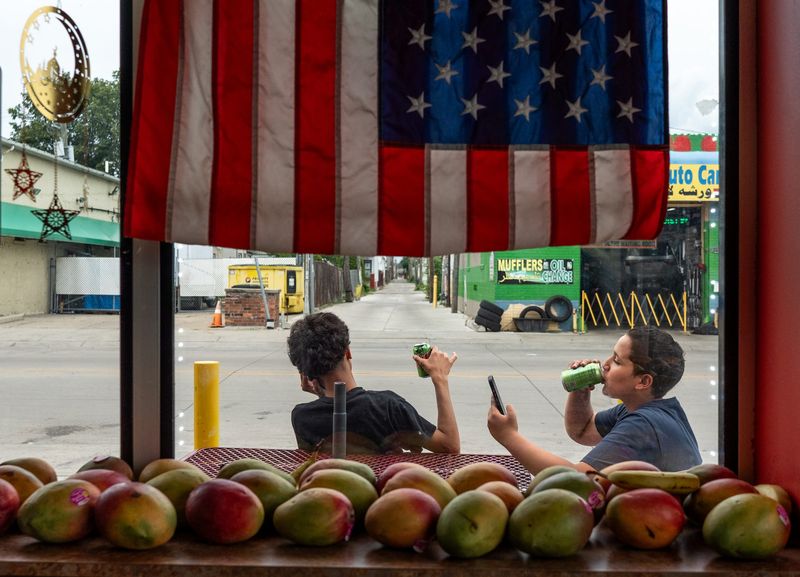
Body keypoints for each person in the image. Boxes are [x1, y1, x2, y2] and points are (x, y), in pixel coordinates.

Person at [488, 326, 701, 474]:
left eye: (617, 361)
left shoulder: (644, 425)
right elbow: (582, 430)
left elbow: (577, 481)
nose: (605, 364)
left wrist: (509, 437)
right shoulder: (641, 410)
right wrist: (580, 390)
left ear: (643, 381)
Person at [288, 312, 460, 454]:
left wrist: (322, 396)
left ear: (306, 374)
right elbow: (449, 447)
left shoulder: (302, 417)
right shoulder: (388, 407)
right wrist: (440, 378)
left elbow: (337, 420)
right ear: (347, 352)